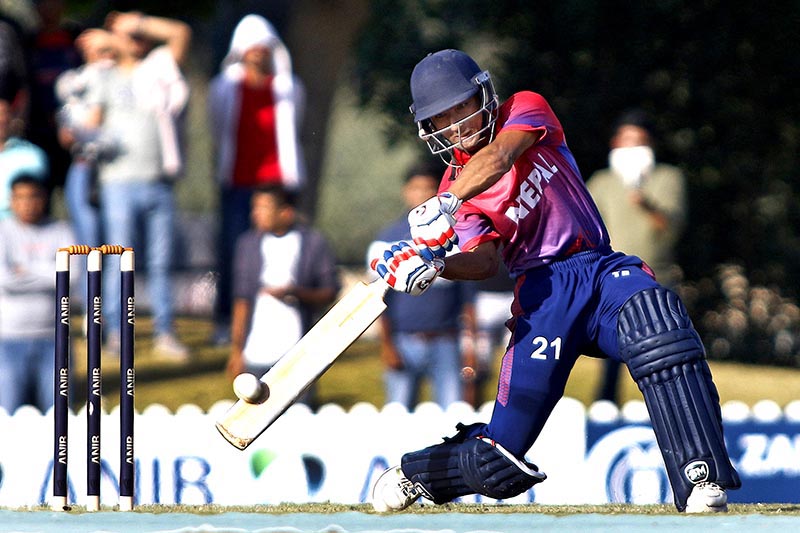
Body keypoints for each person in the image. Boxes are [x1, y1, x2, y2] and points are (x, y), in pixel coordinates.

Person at [368, 49, 740, 514]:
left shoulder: (523, 109)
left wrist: (446, 201)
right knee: (497, 463)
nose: (456, 124)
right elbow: (483, 262)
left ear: (484, 95)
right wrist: (436, 266)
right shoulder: (451, 193)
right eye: (442, 118)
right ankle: (416, 474)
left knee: (659, 325)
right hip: (541, 298)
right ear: (428, 129)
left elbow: (502, 157)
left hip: (598, 269)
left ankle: (699, 480)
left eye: (462, 107)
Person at [81, 11, 191, 360]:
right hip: (118, 183)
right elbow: (89, 122)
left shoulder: (158, 67)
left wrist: (137, 22)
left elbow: (179, 32)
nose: (137, 40)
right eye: (129, 35)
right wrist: (111, 40)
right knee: (118, 260)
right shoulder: (105, 75)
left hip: (159, 181)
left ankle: (164, 332)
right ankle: (114, 333)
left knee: (160, 263)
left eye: (141, 35)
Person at [208, 14, 305, 345]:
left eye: (263, 47)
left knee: (286, 252)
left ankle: (294, 322)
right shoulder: (224, 88)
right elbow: (219, 129)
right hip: (238, 181)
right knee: (233, 251)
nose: (258, 54)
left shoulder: (288, 88)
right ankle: (226, 321)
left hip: (278, 181)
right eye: (252, 48)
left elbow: (295, 128)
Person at [587, 109, 688, 405]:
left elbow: (671, 226)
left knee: (664, 355)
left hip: (657, 278)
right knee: (609, 361)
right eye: (625, 140)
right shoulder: (602, 182)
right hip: (611, 282)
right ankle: (604, 411)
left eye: (638, 141)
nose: (631, 148)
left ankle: (672, 411)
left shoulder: (667, 178)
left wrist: (645, 204)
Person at [366, 161, 477, 409]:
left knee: (453, 413)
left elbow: (468, 299)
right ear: (406, 191)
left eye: (428, 189)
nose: (421, 195)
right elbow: (379, 300)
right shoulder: (387, 239)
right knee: (398, 412)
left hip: (446, 341)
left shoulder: (455, 236)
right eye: (416, 188)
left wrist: (470, 348)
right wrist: (386, 346)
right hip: (404, 341)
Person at [227, 184, 339, 406]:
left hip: (298, 355)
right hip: (255, 353)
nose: (256, 213)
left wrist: (295, 293)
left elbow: (329, 292)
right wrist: (236, 350)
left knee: (298, 419)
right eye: (255, 207)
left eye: (263, 207)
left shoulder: (313, 243)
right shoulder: (247, 245)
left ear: (285, 212)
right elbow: (242, 300)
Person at [0, 175, 74, 413]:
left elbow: (72, 276)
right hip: (8, 340)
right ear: (11, 200)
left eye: (33, 196)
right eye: (20, 198)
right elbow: (5, 279)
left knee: (60, 417)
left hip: (54, 340)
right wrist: (49, 269)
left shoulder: (61, 230)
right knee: (7, 417)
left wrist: (25, 269)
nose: (27, 203)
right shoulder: (3, 232)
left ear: (44, 199)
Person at [0, 94, 49, 219]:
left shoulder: (32, 156)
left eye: (5, 113)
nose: (2, 120)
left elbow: (31, 200)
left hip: (20, 229)